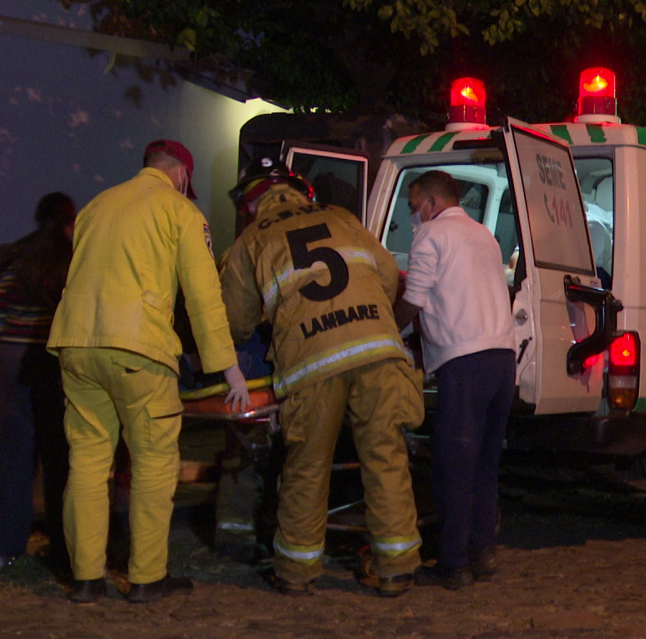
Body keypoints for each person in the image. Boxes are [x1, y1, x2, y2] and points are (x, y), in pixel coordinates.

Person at [47, 139, 250, 604]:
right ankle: (146, 577)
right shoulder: (179, 211)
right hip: (139, 348)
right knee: (155, 462)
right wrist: (228, 369)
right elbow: (202, 296)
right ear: (181, 174)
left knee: (88, 461)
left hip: (76, 344)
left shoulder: (97, 206)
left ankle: (85, 577)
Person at [220, 157, 424, 597]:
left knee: (307, 466)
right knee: (386, 456)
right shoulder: (342, 217)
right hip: (378, 349)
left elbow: (234, 322)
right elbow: (388, 277)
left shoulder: (251, 239)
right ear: (299, 192)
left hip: (312, 362)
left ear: (252, 204)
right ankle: (397, 568)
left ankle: (295, 573)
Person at [393, 170, 516, 590]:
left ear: (431, 201)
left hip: (465, 361)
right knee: (485, 462)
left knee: (453, 465)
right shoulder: (484, 235)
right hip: (503, 359)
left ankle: (453, 563)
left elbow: (415, 299)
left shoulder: (431, 236)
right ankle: (483, 552)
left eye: (413, 207)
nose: (413, 216)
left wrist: (388, 329)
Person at [0, 192, 76, 573]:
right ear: (67, 222)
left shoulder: (14, 255)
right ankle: (63, 548)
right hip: (54, 359)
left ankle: (7, 547)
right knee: (59, 455)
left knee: (14, 456)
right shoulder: (73, 259)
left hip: (11, 358)